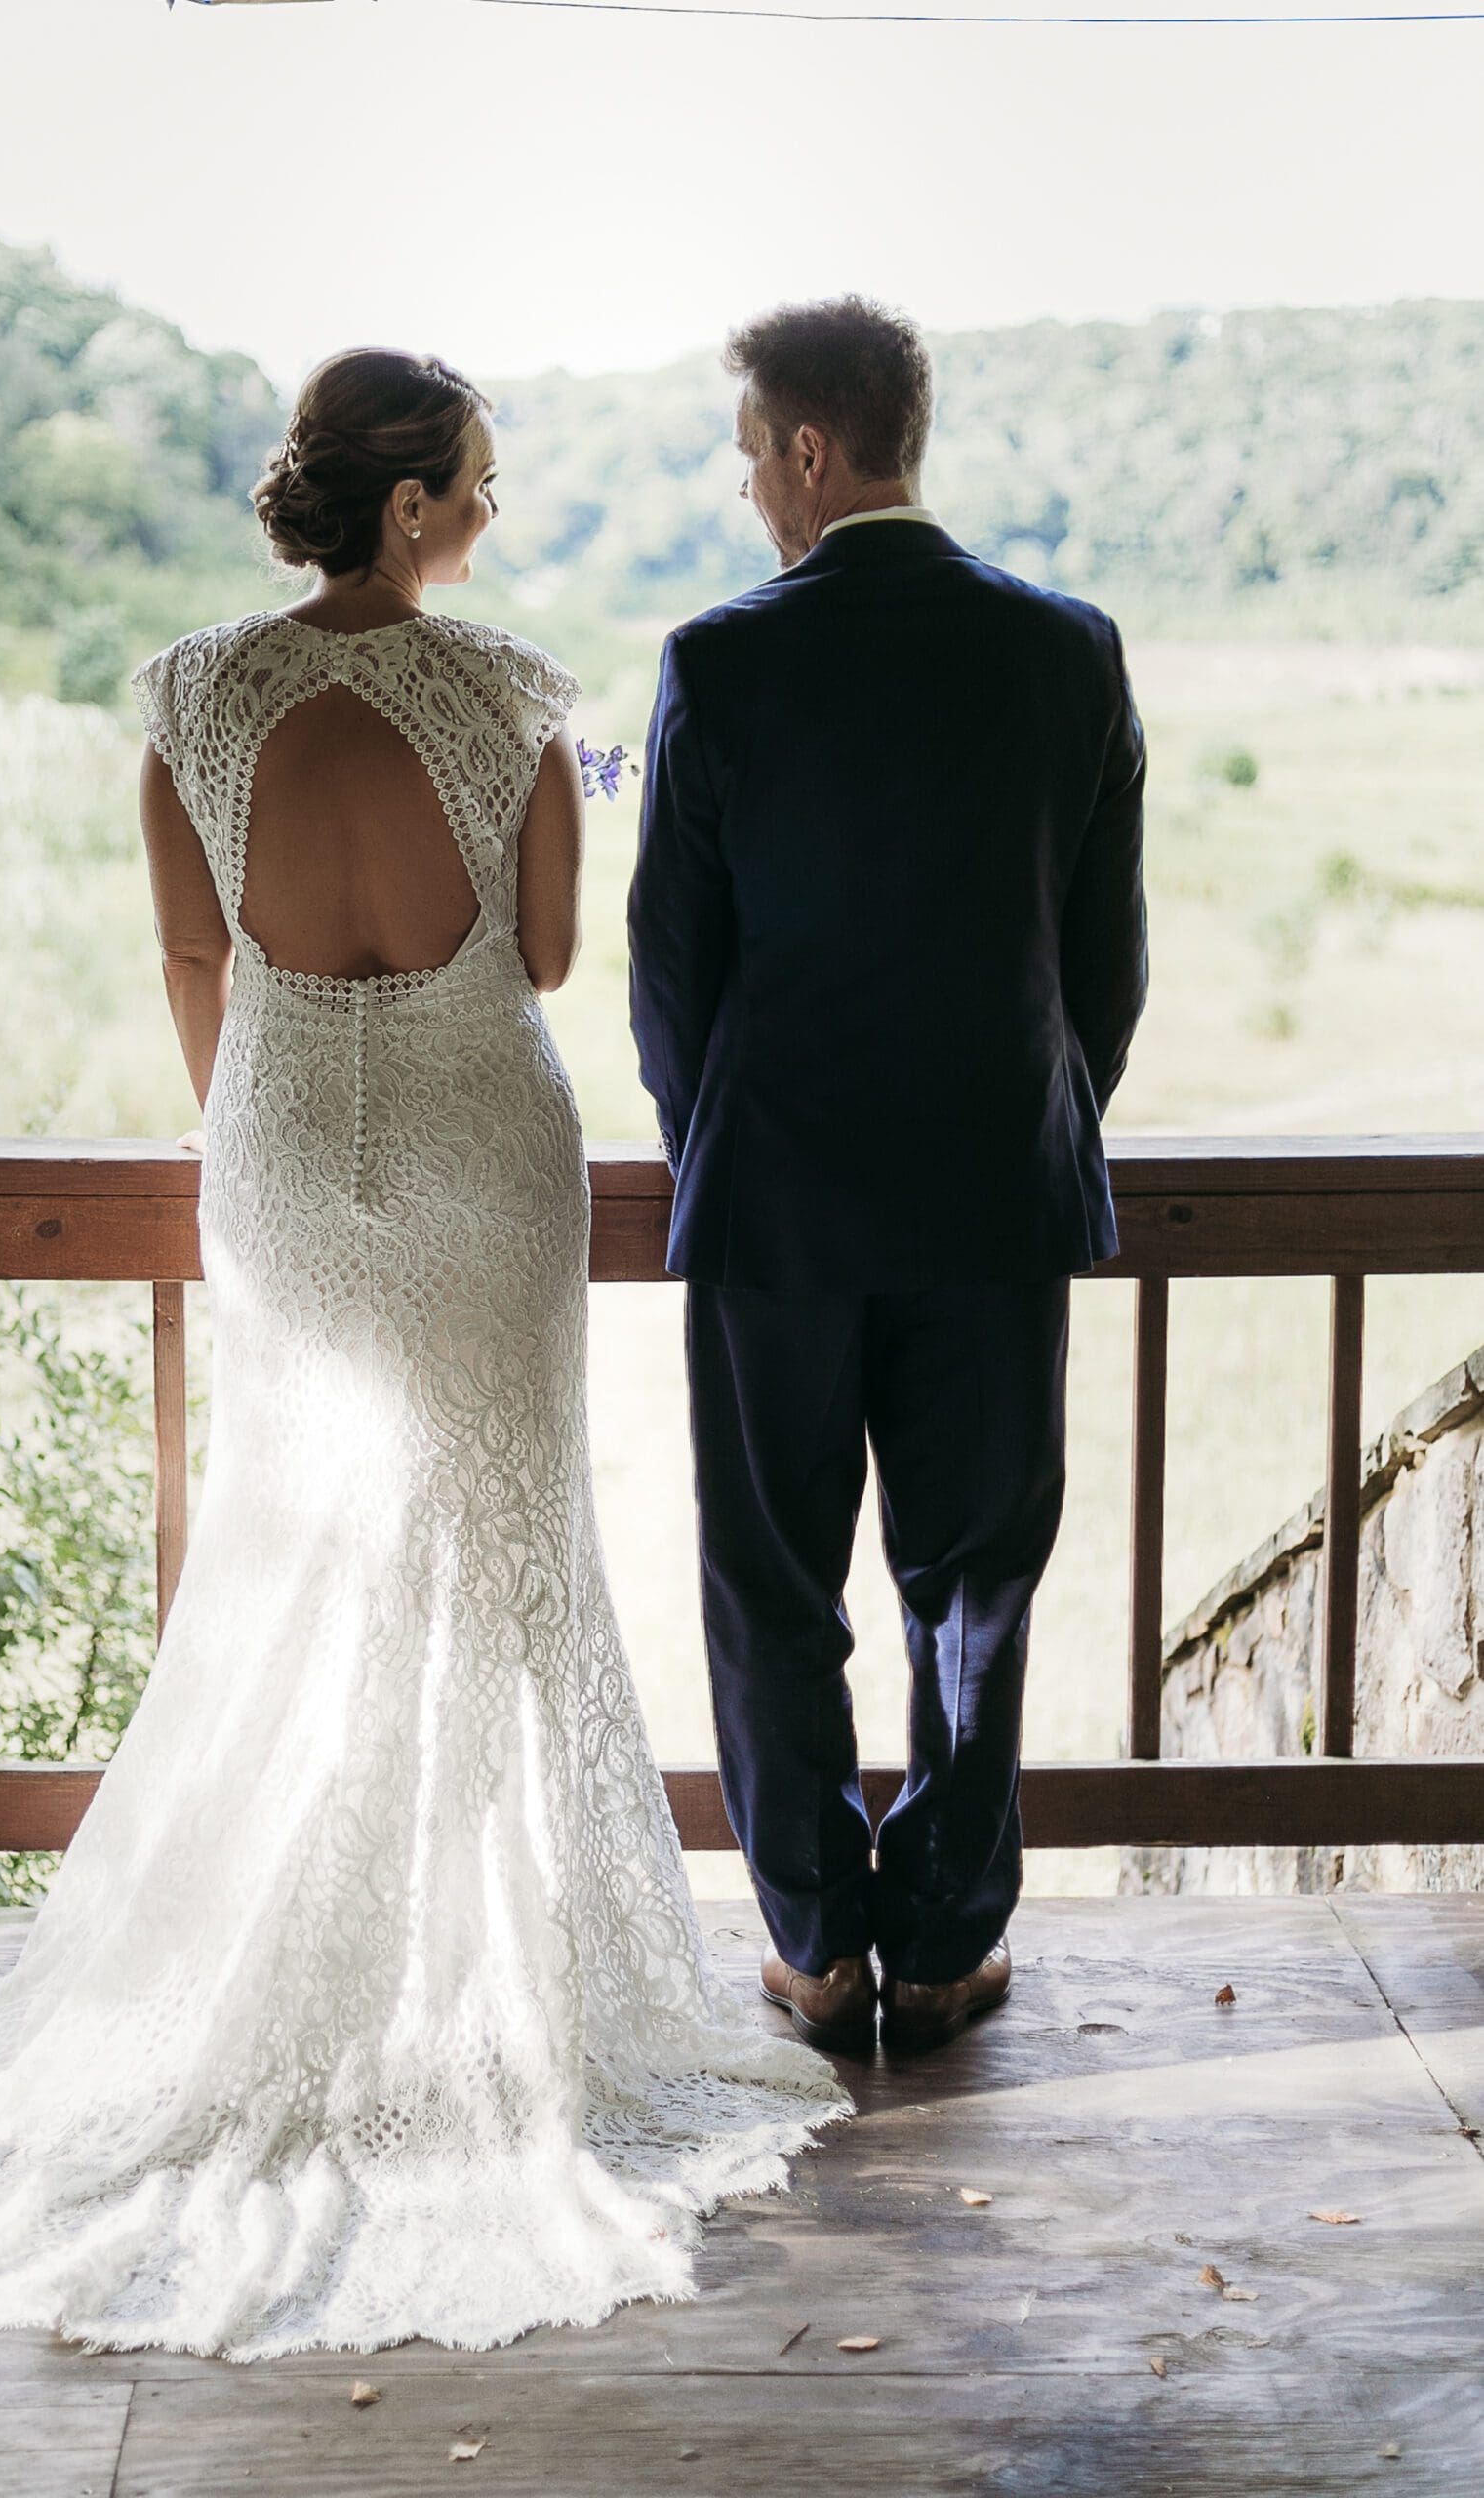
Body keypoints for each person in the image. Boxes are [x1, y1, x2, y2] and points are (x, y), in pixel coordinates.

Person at [0, 346, 847, 2363]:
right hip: (478, 1144)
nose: (498, 514)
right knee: (501, 1558)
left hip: (271, 1147)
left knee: (293, 1551)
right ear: (414, 505)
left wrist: (248, 1137)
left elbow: (197, 954)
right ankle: (490, 1994)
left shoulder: (189, 694)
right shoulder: (514, 694)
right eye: (484, 483)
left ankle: (286, 1976)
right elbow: (536, 956)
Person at [628, 297, 1148, 2059]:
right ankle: (938, 1949)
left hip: (773, 1207)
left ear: (805, 450)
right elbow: (1106, 967)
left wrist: (729, 1144)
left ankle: (809, 1942)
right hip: (995, 1202)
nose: (745, 489)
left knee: (775, 1582)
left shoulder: (717, 661)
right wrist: (1020, 1115)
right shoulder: (1068, 651)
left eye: (744, 453)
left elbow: (668, 983)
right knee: (974, 1585)